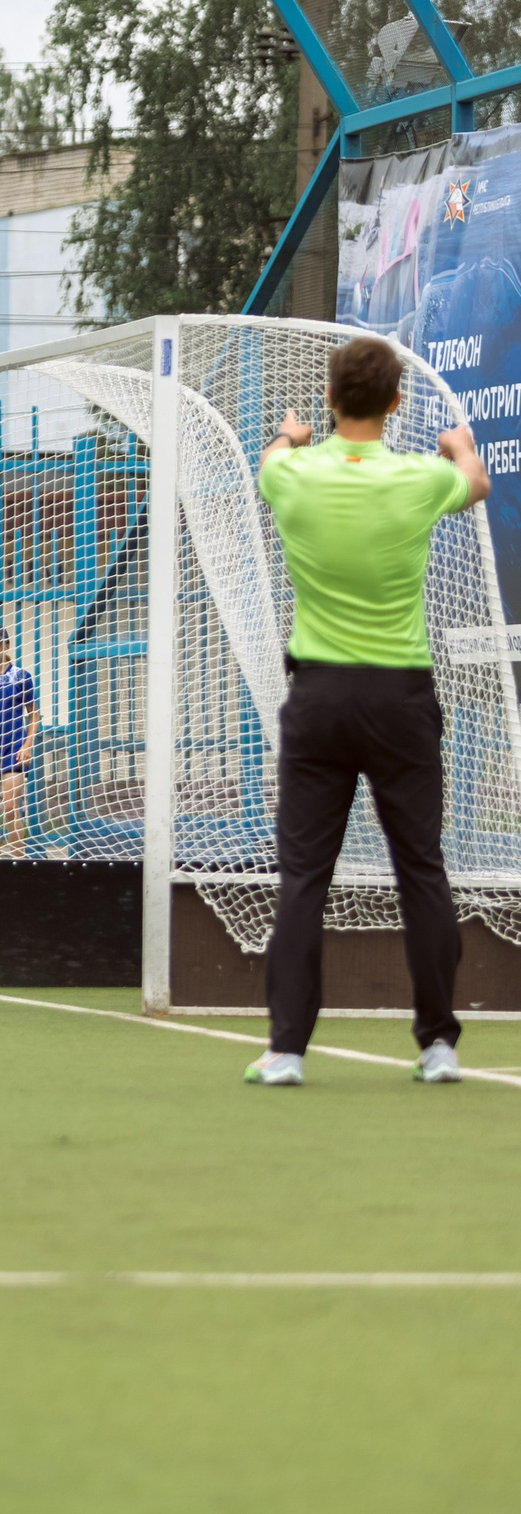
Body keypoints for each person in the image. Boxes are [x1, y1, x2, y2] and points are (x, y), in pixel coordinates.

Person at [247, 335, 490, 1086]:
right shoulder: (419, 478)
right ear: (395, 403)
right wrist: (460, 445)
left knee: (303, 876)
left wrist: (290, 434)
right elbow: (475, 482)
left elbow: (271, 458)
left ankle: (287, 1051)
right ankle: (438, 1045)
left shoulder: (290, 472)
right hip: (400, 700)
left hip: (319, 698)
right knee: (420, 866)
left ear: (328, 398)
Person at [0, 624, 38, 856]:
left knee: (11, 806)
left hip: (14, 748)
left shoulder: (21, 676)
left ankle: (17, 863)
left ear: (6, 646)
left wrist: (27, 745)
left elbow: (34, 715)